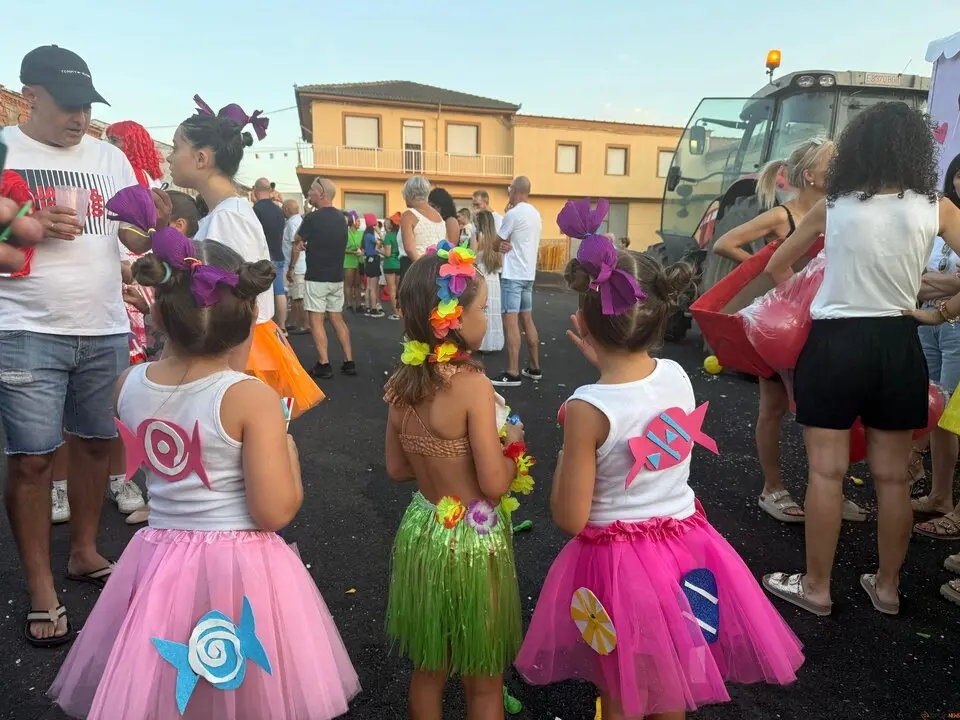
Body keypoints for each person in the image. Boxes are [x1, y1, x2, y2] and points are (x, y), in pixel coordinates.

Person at [47, 232, 360, 719]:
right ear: (245, 323)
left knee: (169, 677)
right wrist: (290, 455)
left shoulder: (128, 384)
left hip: (158, 558)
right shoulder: (248, 396)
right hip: (240, 564)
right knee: (242, 680)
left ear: (157, 312)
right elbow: (273, 511)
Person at [514, 209, 802, 719]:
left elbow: (568, 517)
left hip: (619, 567)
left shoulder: (585, 409)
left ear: (583, 322)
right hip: (686, 551)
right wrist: (606, 365)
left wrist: (568, 445)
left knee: (621, 687)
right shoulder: (674, 375)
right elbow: (636, 395)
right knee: (669, 677)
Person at [763, 102, 960, 617]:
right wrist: (941, 314)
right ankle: (889, 589)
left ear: (857, 148)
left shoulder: (834, 205)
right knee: (893, 478)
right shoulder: (935, 207)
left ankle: (817, 588)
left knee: (825, 474)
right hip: (899, 341)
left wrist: (803, 298)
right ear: (918, 149)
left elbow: (779, 266)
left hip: (833, 343)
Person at [1, 45, 149, 647]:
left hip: (105, 324)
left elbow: (125, 236)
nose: (80, 118)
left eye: (87, 106)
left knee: (96, 447)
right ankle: (40, 586)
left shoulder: (110, 158)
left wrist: (136, 265)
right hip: (25, 326)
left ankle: (83, 553)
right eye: (68, 106)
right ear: (29, 97)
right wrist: (21, 224)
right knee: (34, 459)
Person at [384, 244, 522, 720]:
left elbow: (398, 470)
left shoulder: (401, 384)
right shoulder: (473, 386)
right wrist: (514, 447)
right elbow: (493, 484)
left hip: (424, 529)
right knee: (483, 677)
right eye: (483, 308)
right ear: (455, 319)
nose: (488, 317)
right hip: (473, 537)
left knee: (429, 666)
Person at [712, 140, 861, 524]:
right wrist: (769, 273)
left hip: (825, 322)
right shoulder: (784, 216)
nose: (844, 164)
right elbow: (724, 243)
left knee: (828, 411)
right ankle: (773, 488)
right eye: (834, 161)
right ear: (810, 175)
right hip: (782, 327)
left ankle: (828, 491)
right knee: (774, 407)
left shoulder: (843, 212)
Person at [166, 99, 324, 420]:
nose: (169, 156)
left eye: (175, 146)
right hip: (237, 351)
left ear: (201, 158)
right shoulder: (225, 213)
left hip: (238, 354)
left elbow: (241, 303)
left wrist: (229, 379)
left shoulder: (228, 218)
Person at [121, 190, 203, 528]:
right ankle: (169, 499)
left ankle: (169, 500)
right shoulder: (185, 262)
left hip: (175, 356)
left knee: (172, 429)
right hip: (171, 349)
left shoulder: (186, 264)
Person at [911, 153, 960, 540]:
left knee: (952, 418)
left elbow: (935, 281)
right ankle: (939, 494)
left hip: (954, 324)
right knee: (935, 410)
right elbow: (916, 277)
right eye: (958, 174)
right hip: (929, 321)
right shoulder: (936, 216)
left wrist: (938, 287)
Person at [290, 177, 356, 379]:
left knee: (316, 320)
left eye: (311, 190)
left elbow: (297, 239)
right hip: (336, 277)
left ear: (322, 194)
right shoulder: (341, 218)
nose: (309, 193)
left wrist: (303, 245)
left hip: (317, 277)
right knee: (337, 318)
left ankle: (324, 364)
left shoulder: (312, 218)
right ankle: (349, 361)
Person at [491, 176, 542, 387]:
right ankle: (534, 367)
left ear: (515, 190)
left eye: (509, 190)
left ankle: (512, 372)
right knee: (527, 320)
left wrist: (501, 244)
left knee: (511, 323)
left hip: (512, 275)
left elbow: (496, 242)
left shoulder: (513, 214)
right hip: (528, 275)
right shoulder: (535, 214)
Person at [252, 177, 289, 331]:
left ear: (255, 190)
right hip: (278, 255)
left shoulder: (256, 210)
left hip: (263, 258)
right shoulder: (279, 210)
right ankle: (282, 328)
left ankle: (266, 329)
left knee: (261, 295)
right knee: (279, 292)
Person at [472, 210, 504, 353]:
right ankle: (494, 343)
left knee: (480, 309)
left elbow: (471, 258)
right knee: (493, 309)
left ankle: (481, 342)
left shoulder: (478, 236)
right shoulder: (497, 239)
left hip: (481, 275)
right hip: (494, 277)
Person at [400, 176, 446, 262]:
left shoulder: (408, 215)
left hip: (416, 264)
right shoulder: (438, 215)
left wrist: (420, 267)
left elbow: (409, 248)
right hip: (437, 265)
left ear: (410, 194)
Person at [105, 121, 163, 189]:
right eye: (108, 139)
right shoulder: (143, 175)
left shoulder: (133, 174)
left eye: (114, 140)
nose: (107, 144)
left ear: (132, 145)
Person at [282, 198, 309, 334]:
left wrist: (292, 268)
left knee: (299, 298)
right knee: (294, 297)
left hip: (297, 267)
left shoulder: (293, 223)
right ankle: (293, 322)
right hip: (296, 266)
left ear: (287, 209)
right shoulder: (297, 221)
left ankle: (305, 325)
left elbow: (296, 247)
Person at [362, 212, 384, 317]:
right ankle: (374, 308)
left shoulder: (365, 235)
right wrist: (379, 232)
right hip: (374, 260)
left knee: (368, 286)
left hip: (368, 260)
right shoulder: (371, 236)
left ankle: (367, 307)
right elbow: (382, 241)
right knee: (373, 287)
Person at [382, 214, 401, 319]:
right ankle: (401, 310)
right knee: (399, 289)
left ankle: (396, 312)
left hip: (389, 264)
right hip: (399, 264)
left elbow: (387, 254)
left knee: (392, 289)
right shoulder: (401, 236)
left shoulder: (389, 236)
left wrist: (378, 251)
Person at [344, 211, 364, 312]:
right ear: (352, 222)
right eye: (358, 221)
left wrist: (362, 251)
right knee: (349, 284)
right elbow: (342, 249)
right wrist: (352, 252)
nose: (359, 223)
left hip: (359, 260)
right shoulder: (345, 233)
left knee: (357, 284)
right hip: (348, 261)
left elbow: (364, 247)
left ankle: (359, 304)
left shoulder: (362, 233)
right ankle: (349, 304)